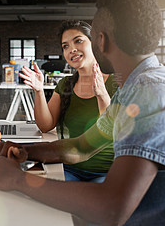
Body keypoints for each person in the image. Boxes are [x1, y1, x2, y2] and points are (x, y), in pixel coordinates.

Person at [0, 0, 165, 225]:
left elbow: (111, 208)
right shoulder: (134, 90)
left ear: (100, 41)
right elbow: (81, 148)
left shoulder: (151, 92)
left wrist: (17, 180)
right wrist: (27, 150)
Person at [19, 20, 118, 182]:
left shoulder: (116, 83)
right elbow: (45, 125)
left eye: (78, 41)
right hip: (68, 168)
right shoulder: (65, 85)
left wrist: (101, 94)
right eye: (65, 46)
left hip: (104, 173)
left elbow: (111, 132)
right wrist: (39, 91)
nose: (72, 49)